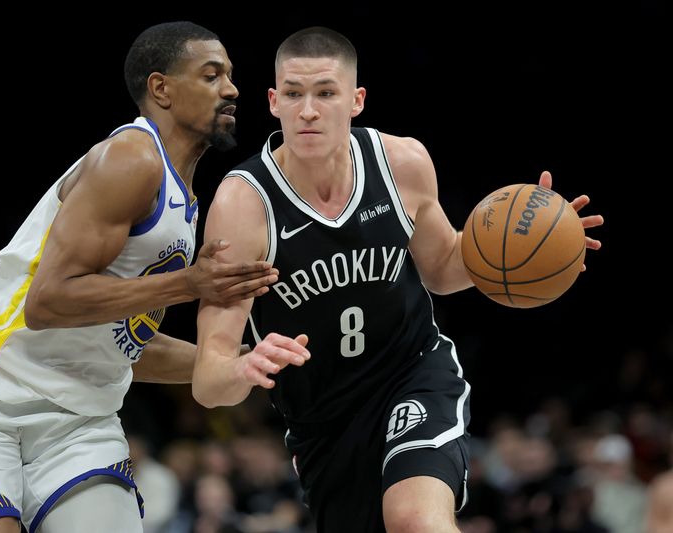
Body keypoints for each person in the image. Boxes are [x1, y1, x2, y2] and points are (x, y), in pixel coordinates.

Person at [191, 26, 604, 532]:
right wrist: (242, 368)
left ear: (356, 100)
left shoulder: (400, 163)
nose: (309, 110)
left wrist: (533, 246)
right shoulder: (243, 205)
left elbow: (445, 269)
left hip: (412, 373)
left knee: (415, 521)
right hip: (324, 424)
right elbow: (209, 380)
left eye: (325, 93)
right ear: (274, 102)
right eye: (294, 95)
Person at [0, 21, 289, 533]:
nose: (232, 88)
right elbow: (46, 304)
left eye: (229, 75)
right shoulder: (131, 158)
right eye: (211, 75)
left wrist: (236, 361)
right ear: (161, 89)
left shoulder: (185, 202)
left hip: (81, 423)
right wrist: (188, 284)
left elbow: (124, 342)